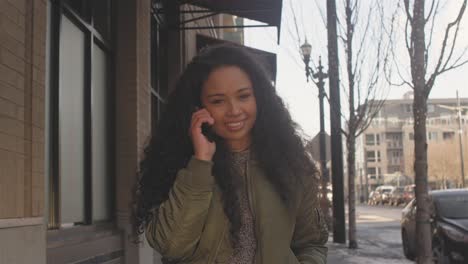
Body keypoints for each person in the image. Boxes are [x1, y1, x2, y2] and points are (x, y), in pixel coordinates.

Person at [134, 44, 328, 264]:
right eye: (218, 101)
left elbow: (311, 243)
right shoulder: (179, 164)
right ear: (198, 106)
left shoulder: (291, 164)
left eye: (243, 96)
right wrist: (200, 163)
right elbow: (170, 245)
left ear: (259, 98)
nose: (234, 110)